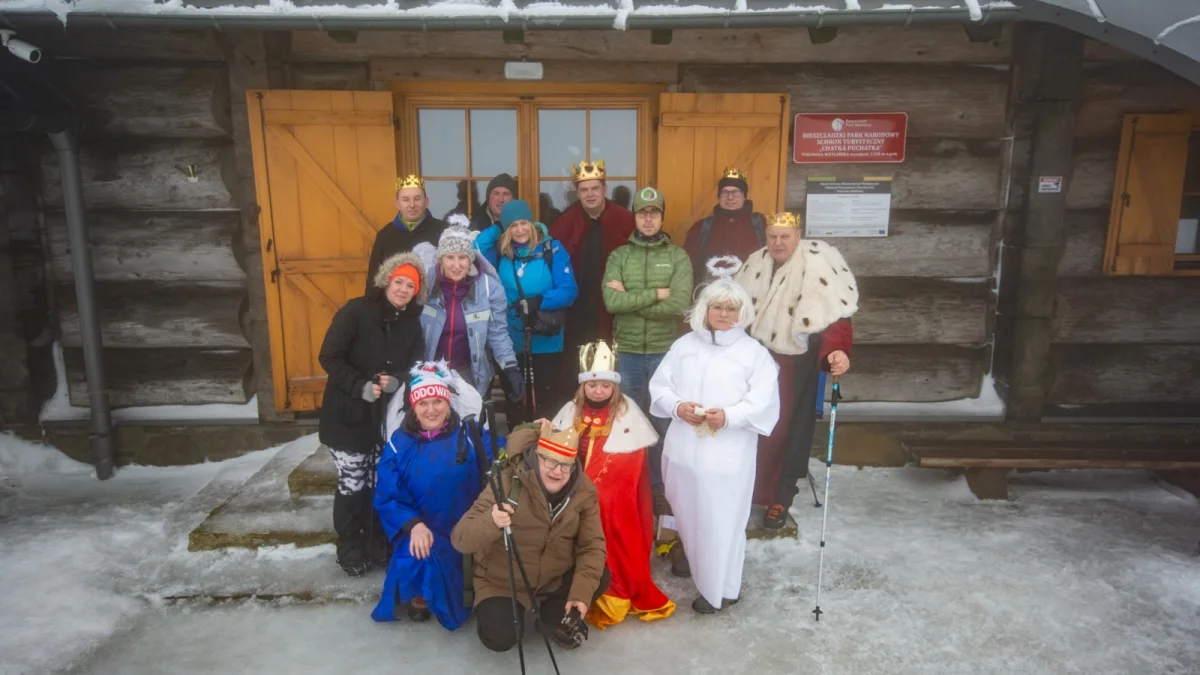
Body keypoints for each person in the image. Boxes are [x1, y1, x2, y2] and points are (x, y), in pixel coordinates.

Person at [648, 261, 780, 614]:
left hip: (727, 455)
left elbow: (764, 401)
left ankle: (722, 589)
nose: (724, 314)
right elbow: (659, 387)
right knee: (689, 516)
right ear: (704, 310)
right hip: (683, 451)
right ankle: (695, 561)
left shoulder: (754, 354)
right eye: (717, 307)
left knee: (722, 521)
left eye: (731, 308)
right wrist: (678, 408)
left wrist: (730, 416)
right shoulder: (684, 346)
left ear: (743, 312)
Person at [734, 211, 856, 529]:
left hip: (795, 362)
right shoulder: (754, 264)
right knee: (749, 424)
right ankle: (744, 492)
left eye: (784, 236)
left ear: (797, 236)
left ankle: (780, 497)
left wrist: (837, 349)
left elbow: (835, 314)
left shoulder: (817, 262)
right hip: (754, 359)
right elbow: (734, 309)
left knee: (789, 429)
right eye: (772, 236)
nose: (777, 242)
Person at [450, 421, 609, 652]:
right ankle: (503, 611)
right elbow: (460, 538)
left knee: (600, 574)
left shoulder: (584, 491)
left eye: (566, 465)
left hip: (552, 577)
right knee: (499, 639)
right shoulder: (506, 481)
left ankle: (552, 618)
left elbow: (592, 546)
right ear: (537, 457)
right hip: (504, 581)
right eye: (551, 461)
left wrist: (581, 594)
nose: (558, 471)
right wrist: (491, 521)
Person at [549, 339, 675, 628]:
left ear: (614, 387)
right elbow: (555, 449)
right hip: (570, 480)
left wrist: (592, 487)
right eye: (592, 386)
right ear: (583, 387)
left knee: (604, 508)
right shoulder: (571, 410)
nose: (598, 391)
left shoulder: (626, 412)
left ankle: (611, 589)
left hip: (609, 492)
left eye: (605, 386)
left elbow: (628, 464)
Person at [318, 251, 427, 577]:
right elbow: (330, 356)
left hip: (384, 420)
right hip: (347, 416)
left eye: (411, 285)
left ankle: (378, 544)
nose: (403, 289)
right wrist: (360, 386)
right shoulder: (356, 311)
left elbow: (414, 365)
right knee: (353, 484)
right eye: (399, 281)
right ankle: (350, 547)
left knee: (380, 483)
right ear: (386, 280)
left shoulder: (411, 324)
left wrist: (397, 382)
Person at [371, 362, 497, 630]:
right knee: (415, 554)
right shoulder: (398, 444)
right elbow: (388, 494)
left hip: (466, 525)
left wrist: (532, 435)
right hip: (424, 528)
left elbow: (501, 452)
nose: (431, 409)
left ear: (448, 403)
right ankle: (422, 592)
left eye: (438, 401)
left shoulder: (470, 434)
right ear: (413, 407)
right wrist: (412, 525)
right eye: (423, 403)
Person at [602, 186, 692, 510]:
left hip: (664, 353)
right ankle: (630, 485)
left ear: (662, 216)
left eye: (654, 213)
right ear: (635, 217)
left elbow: (680, 303)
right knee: (627, 420)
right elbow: (612, 302)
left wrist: (632, 301)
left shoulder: (677, 256)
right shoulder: (619, 256)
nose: (649, 219)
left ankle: (660, 487)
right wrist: (657, 293)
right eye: (642, 213)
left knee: (664, 424)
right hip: (626, 351)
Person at [411, 218, 524, 405]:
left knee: (471, 426)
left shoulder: (489, 288)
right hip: (430, 372)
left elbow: (498, 333)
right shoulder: (425, 284)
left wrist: (510, 367)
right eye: (450, 257)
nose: (456, 265)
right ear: (440, 260)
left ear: (471, 259)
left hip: (469, 372)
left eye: (462, 257)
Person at [547, 160, 635, 390]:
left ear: (604, 189)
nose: (590, 194)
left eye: (595, 188)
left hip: (614, 307)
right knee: (576, 363)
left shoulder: (626, 220)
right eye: (584, 190)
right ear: (577, 193)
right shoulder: (565, 223)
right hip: (577, 309)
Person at [490, 199, 579, 425]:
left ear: (532, 223)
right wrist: (495, 228)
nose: (520, 230)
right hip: (510, 342)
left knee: (544, 405)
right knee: (515, 405)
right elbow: (475, 251)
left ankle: (545, 455)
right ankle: (517, 454)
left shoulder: (552, 249)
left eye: (524, 223)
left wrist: (538, 301)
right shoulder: (500, 253)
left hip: (545, 338)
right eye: (512, 225)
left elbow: (569, 291)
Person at [682, 168, 768, 285]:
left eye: (736, 192)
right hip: (712, 292)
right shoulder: (701, 228)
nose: (730, 197)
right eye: (725, 192)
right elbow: (686, 266)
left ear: (744, 196)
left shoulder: (761, 225)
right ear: (719, 196)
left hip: (751, 292)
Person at [366, 175, 447, 297]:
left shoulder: (442, 231)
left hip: (434, 306)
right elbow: (374, 281)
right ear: (397, 204)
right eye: (406, 199)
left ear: (426, 202)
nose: (412, 205)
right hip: (396, 308)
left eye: (417, 199)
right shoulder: (385, 236)